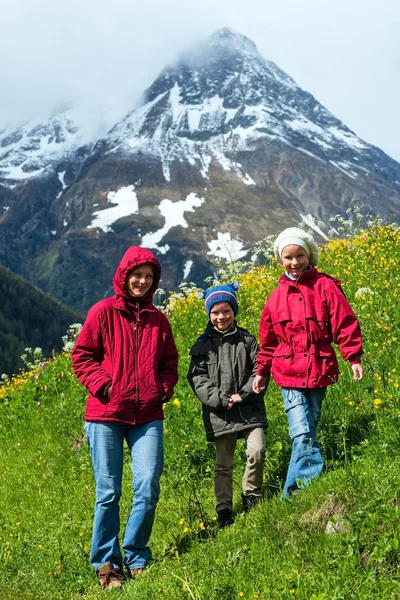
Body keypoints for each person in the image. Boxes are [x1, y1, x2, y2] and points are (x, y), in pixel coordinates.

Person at [72, 247, 178, 590]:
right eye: (137, 275)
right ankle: (106, 564)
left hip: (147, 414)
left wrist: (161, 388)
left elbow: (169, 363)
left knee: (147, 486)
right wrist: (105, 386)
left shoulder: (158, 320)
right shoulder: (102, 313)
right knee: (108, 492)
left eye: (149, 277)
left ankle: (135, 555)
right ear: (124, 276)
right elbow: (82, 357)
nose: (142, 282)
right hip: (105, 414)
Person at [253, 227, 363, 499]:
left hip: (319, 368)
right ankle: (309, 489)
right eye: (288, 257)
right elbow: (267, 342)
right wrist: (261, 372)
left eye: (299, 255)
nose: (294, 262)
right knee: (302, 431)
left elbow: (344, 321)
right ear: (280, 260)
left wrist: (353, 357)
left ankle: (290, 494)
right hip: (287, 372)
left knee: (307, 430)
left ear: (309, 255)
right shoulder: (275, 297)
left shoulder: (325, 286)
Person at [187, 283, 267, 528]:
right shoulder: (201, 345)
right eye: (215, 312)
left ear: (234, 310)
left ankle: (251, 494)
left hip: (249, 407)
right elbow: (197, 378)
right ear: (208, 314)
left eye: (226, 311)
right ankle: (224, 509)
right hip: (219, 413)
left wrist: (244, 394)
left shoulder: (248, 340)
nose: (221, 317)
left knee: (257, 450)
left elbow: (260, 370)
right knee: (223, 464)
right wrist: (221, 399)